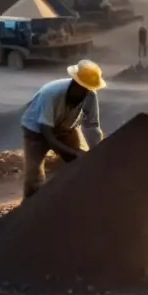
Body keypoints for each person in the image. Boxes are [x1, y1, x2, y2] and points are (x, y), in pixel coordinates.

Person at [19, 60, 106, 199]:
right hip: (37, 131)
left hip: (66, 128)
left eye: (88, 89)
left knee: (82, 162)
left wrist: (97, 153)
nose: (85, 92)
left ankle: (78, 198)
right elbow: (46, 132)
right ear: (75, 83)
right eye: (83, 88)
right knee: (33, 176)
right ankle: (31, 208)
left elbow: (92, 127)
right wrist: (68, 152)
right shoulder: (52, 93)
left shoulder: (90, 95)